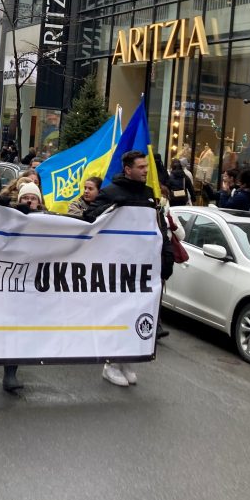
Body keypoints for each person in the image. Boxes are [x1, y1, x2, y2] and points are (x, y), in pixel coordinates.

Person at [85, 150, 167, 386]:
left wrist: (165, 258)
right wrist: (112, 210)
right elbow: (90, 217)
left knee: (136, 312)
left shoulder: (150, 194)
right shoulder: (111, 192)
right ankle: (110, 364)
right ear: (128, 169)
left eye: (146, 167)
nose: (145, 171)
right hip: (117, 265)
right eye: (141, 167)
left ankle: (125, 360)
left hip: (141, 266)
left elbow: (157, 229)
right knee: (117, 314)